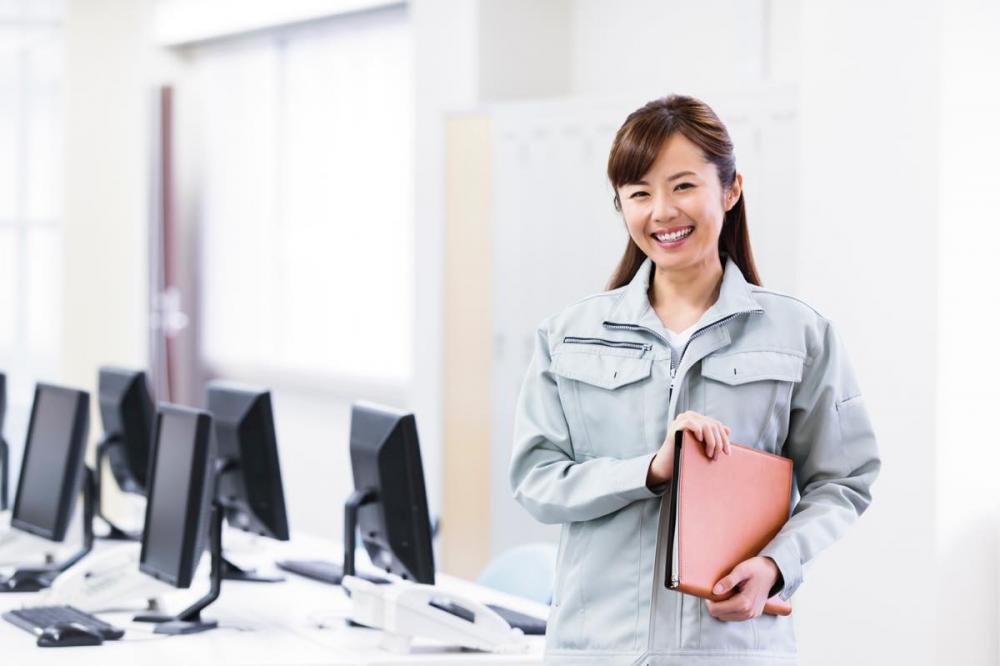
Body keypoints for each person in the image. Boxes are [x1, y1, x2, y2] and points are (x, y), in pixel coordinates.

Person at [508, 94, 881, 665]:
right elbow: (536, 479)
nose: (662, 211)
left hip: (733, 649)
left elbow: (845, 480)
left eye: (683, 186)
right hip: (595, 649)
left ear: (730, 191)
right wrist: (650, 471)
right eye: (639, 193)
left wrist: (777, 566)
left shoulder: (800, 334)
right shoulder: (568, 336)